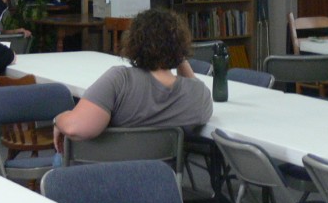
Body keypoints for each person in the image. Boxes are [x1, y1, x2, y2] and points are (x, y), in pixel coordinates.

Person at [53, 8, 213, 149]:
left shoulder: (120, 80)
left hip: (106, 170)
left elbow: (76, 128)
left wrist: (58, 119)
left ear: (133, 43)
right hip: (160, 173)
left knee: (61, 156)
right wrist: (179, 57)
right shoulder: (198, 95)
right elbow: (193, 84)